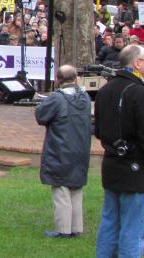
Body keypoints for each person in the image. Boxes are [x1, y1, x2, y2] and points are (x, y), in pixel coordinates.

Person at [94, 44, 144, 258]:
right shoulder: (141, 93)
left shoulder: (105, 90)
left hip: (112, 166)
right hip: (136, 170)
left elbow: (98, 130)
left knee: (110, 223)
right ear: (137, 63)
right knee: (133, 229)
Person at [34, 64, 91, 239]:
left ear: (58, 80)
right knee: (76, 188)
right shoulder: (85, 97)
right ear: (76, 79)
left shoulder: (57, 99)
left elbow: (41, 116)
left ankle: (63, 229)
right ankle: (76, 227)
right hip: (81, 148)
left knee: (61, 189)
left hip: (60, 148)